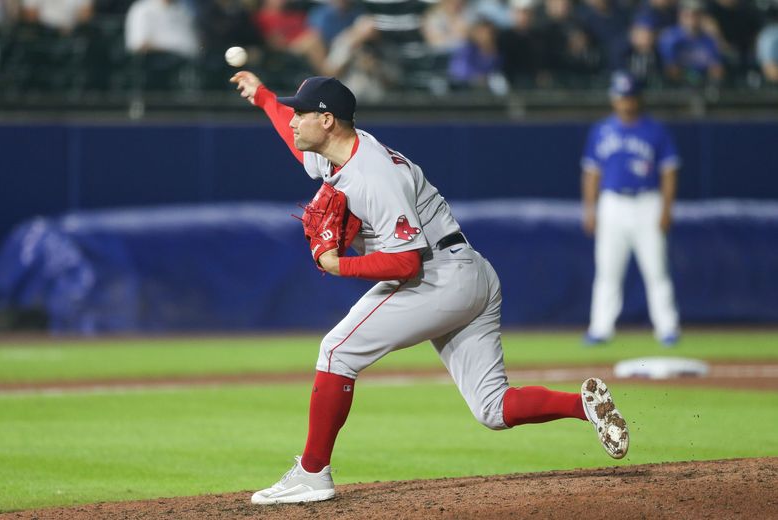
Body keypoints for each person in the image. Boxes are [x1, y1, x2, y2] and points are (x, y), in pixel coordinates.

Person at [229, 71, 631, 505]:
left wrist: (336, 264)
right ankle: (584, 406)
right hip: (473, 274)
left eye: (301, 113)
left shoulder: (373, 175)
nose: (293, 120)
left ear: (327, 120)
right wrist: (264, 96)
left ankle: (312, 473)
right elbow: (292, 139)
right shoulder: (336, 151)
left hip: (438, 277)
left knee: (336, 351)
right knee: (493, 409)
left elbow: (405, 262)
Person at [581, 71, 681, 347]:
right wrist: (590, 209)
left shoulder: (655, 130)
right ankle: (600, 328)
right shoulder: (601, 130)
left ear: (638, 98)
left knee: (656, 270)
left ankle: (667, 327)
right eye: (621, 97)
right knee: (607, 272)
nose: (625, 102)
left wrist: (666, 209)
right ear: (614, 99)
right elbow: (591, 173)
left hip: (647, 202)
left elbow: (669, 172)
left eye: (629, 97)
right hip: (612, 203)